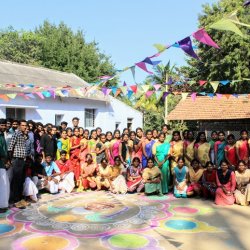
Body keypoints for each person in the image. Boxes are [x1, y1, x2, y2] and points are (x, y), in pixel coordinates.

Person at [8, 120, 28, 207]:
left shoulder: (24, 135)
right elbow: (10, 147)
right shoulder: (16, 134)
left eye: (25, 125)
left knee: (21, 180)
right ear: (19, 126)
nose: (25, 127)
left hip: (23, 160)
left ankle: (20, 199)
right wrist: (10, 160)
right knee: (16, 181)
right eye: (23, 125)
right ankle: (15, 200)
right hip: (16, 160)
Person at [0, 119, 10, 213]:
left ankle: (3, 205)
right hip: (0, 163)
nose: (3, 127)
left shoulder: (2, 135)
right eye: (1, 125)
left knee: (4, 184)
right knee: (2, 185)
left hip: (2, 163)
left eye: (4, 125)